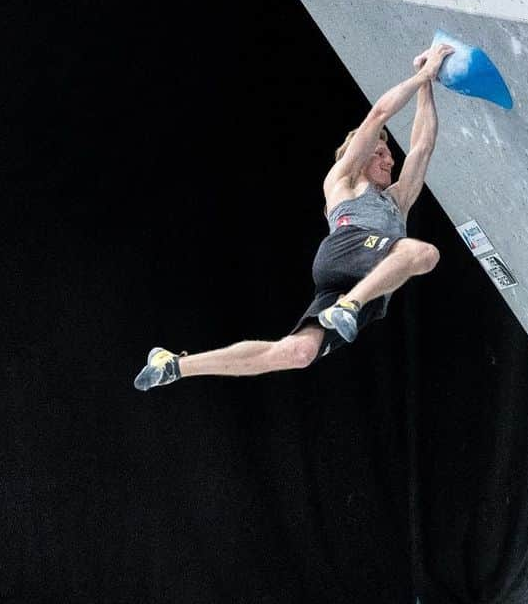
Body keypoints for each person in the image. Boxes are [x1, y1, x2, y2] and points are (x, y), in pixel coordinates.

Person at [133, 42, 454, 391]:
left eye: (389, 155)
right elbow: (377, 115)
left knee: (298, 352)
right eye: (379, 152)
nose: (389, 161)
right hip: (347, 248)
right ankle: (349, 305)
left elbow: (422, 144)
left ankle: (174, 365)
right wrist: (419, 73)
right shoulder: (342, 181)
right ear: (358, 156)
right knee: (423, 254)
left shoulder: (398, 200)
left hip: (357, 283)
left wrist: (428, 82)